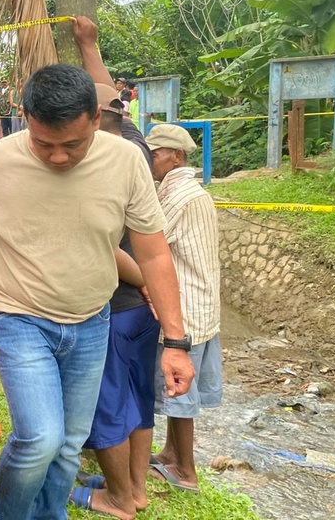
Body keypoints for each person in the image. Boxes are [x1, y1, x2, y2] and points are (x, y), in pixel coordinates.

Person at [0, 63, 195, 520]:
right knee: (39, 440)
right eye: (43, 143)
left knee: (70, 444)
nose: (57, 158)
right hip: (17, 316)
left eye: (72, 144)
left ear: (96, 119)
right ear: (26, 118)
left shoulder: (127, 160)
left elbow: (152, 252)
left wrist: (175, 342)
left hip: (92, 320)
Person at [68, 14, 163, 520]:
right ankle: (137, 488)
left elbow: (104, 247)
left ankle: (119, 499)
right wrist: (90, 45)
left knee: (109, 405)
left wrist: (145, 280)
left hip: (114, 300)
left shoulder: (93, 163)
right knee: (138, 400)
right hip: (145, 309)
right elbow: (106, 96)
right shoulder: (136, 147)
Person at [146, 123, 222, 494]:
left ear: (176, 155)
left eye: (156, 154)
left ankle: (187, 470)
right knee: (182, 388)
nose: (152, 161)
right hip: (202, 304)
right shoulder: (192, 191)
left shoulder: (178, 195)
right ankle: (170, 454)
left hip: (185, 306)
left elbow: (150, 238)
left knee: (178, 390)